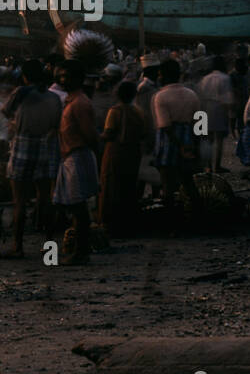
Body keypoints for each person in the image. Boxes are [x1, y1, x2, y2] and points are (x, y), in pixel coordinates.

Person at [0, 58, 62, 258]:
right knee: (45, 200)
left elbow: (4, 112)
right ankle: (49, 248)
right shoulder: (53, 97)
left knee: (20, 201)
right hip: (47, 146)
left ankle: (17, 247)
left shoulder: (21, 93)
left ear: (25, 76)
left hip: (24, 145)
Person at [51, 59, 100, 264]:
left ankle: (81, 253)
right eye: (60, 75)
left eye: (66, 75)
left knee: (79, 209)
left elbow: (90, 135)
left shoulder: (80, 102)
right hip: (70, 157)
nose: (63, 79)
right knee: (74, 207)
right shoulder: (70, 100)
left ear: (78, 78)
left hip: (78, 156)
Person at [151, 58, 202, 221]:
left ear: (163, 75)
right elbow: (200, 121)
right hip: (189, 139)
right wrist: (194, 145)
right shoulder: (192, 94)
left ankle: (172, 222)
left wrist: (180, 146)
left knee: (168, 186)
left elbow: (165, 127)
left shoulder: (161, 97)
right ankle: (198, 217)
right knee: (188, 182)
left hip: (169, 144)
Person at [97, 80, 145, 236]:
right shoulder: (138, 111)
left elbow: (109, 133)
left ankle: (109, 224)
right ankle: (128, 223)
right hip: (133, 153)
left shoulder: (115, 111)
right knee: (128, 187)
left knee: (110, 186)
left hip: (115, 152)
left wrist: (96, 136)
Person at [197, 56, 234, 173]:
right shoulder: (225, 78)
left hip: (204, 109)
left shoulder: (204, 79)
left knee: (207, 140)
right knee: (219, 140)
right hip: (218, 109)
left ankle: (208, 166)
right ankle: (216, 166)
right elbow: (227, 99)